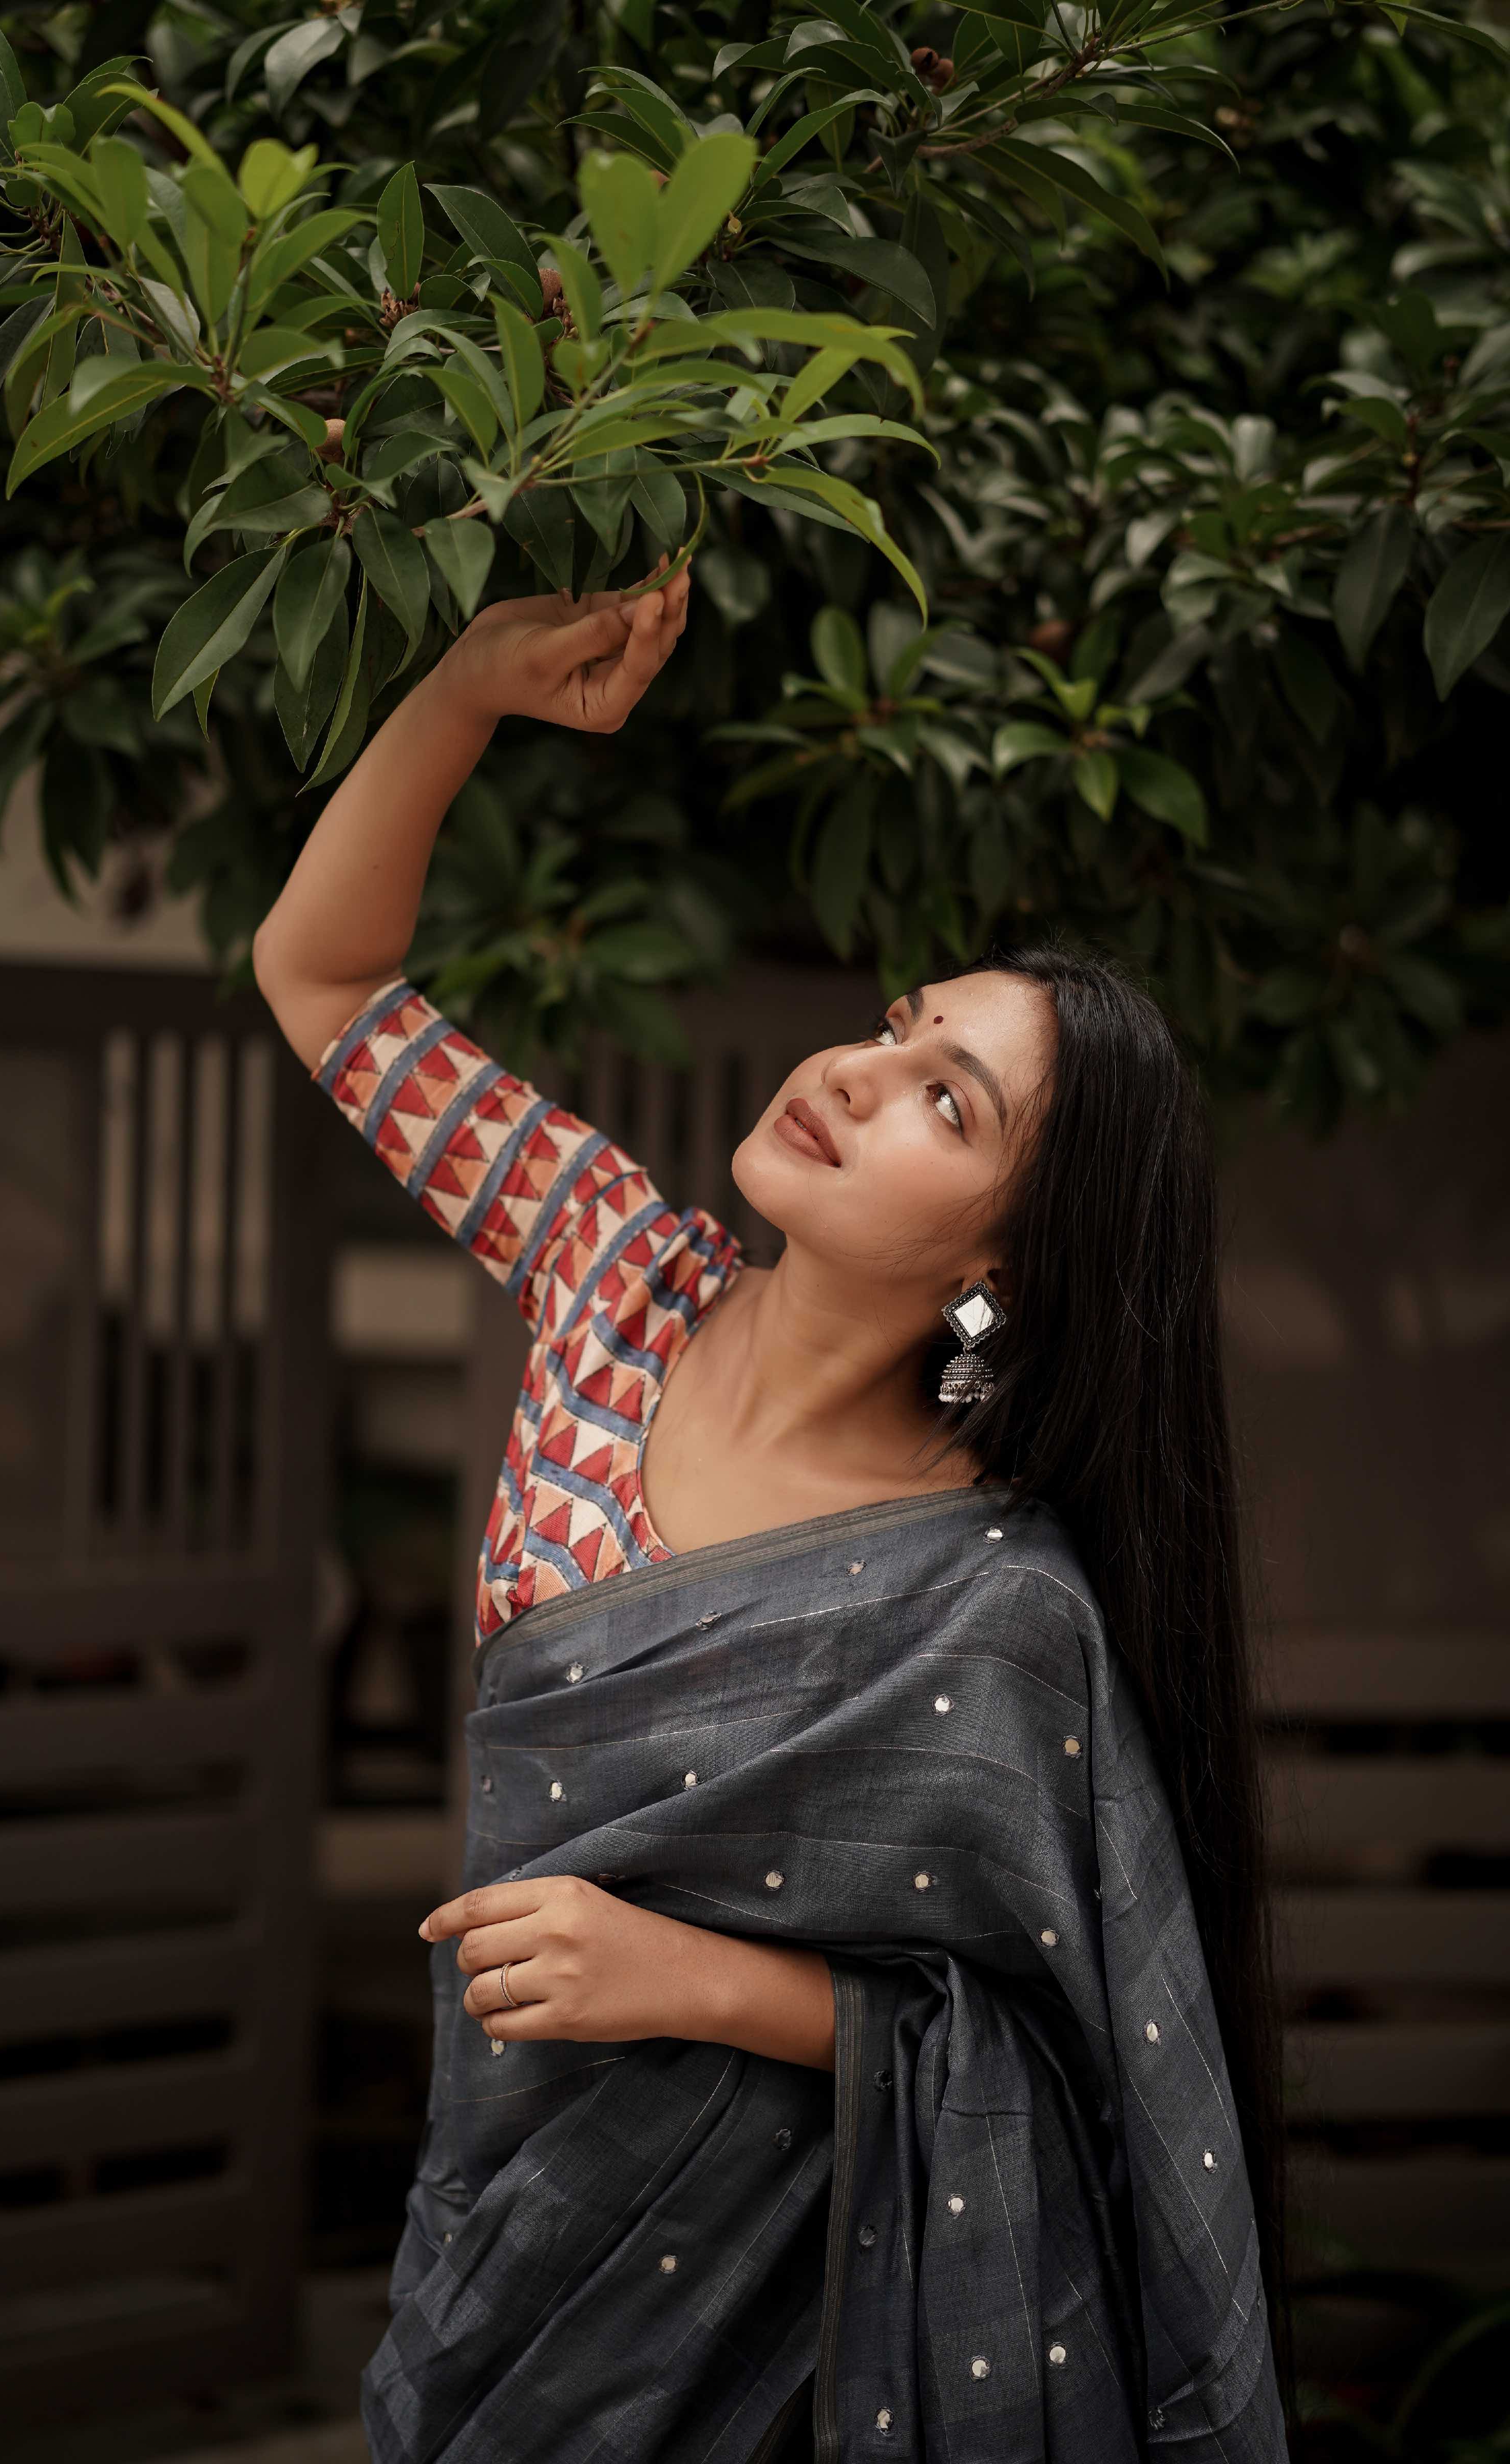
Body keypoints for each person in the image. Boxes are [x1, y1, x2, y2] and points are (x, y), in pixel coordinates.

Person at [254, 563, 1290, 2463]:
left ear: (1017, 1260)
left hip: (790, 2335)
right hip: (508, 2223)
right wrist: (471, 692)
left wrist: (709, 1983)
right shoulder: (613, 1276)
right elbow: (324, 979)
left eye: (942, 1104)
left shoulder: (997, 1607)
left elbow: (1066, 2085)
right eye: (898, 1026)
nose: (855, 1071)